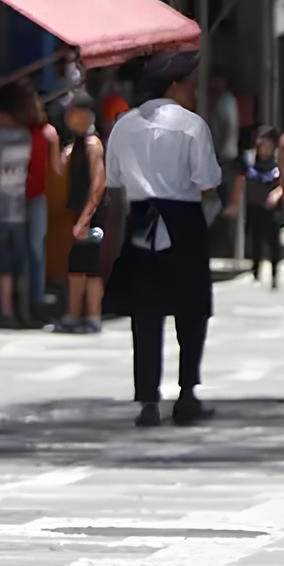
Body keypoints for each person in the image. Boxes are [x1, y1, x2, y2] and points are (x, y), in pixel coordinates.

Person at [104, 52, 221, 427]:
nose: (193, 90)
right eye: (188, 82)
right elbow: (207, 180)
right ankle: (187, 393)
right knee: (192, 309)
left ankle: (148, 399)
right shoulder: (191, 126)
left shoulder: (123, 126)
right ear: (174, 85)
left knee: (146, 311)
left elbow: (115, 182)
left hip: (141, 216)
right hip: (183, 217)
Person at [0, 84, 42, 327]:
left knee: (1, 265)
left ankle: (5, 311)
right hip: (20, 208)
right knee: (19, 263)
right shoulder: (26, 136)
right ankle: (23, 310)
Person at [53, 94, 107, 334]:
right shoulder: (74, 145)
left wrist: (85, 219)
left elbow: (98, 184)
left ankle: (93, 315)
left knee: (92, 270)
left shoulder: (94, 145)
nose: (68, 117)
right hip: (75, 216)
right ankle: (73, 314)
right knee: (75, 269)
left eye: (73, 112)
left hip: (91, 217)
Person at [242, 126, 284, 288]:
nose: (264, 147)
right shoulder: (250, 160)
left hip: (271, 209)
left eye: (267, 143)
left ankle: (274, 275)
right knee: (255, 240)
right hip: (254, 206)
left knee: (273, 242)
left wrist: (277, 193)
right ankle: (255, 272)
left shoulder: (278, 162)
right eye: (261, 144)